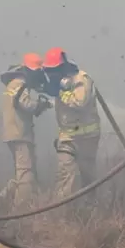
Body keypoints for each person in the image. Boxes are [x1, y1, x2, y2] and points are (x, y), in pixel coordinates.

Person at [42, 47, 101, 200]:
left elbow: (79, 102)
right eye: (49, 71)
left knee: (88, 178)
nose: (51, 74)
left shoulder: (81, 79)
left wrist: (60, 92)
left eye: (54, 70)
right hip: (67, 138)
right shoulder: (59, 84)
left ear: (63, 67)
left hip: (87, 138)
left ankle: (91, 212)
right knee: (66, 175)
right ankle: (60, 215)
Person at [0, 53, 52, 209]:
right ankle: (20, 212)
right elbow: (25, 103)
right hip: (20, 134)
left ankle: (1, 200)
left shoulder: (12, 84)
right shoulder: (21, 84)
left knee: (23, 173)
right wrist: (41, 105)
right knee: (26, 175)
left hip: (12, 133)